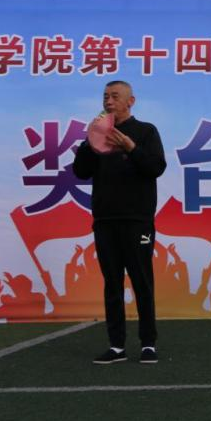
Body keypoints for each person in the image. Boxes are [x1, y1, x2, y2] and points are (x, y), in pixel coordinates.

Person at [73, 80, 167, 364]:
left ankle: (148, 343)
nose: (108, 101)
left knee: (142, 282)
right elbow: (80, 171)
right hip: (105, 220)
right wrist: (90, 142)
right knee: (112, 283)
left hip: (138, 220)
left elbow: (155, 167)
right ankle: (116, 346)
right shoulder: (97, 134)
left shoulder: (146, 131)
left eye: (115, 96)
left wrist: (130, 147)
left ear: (130, 101)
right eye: (105, 96)